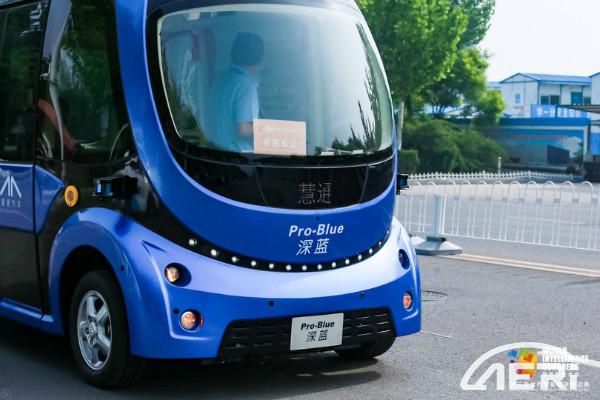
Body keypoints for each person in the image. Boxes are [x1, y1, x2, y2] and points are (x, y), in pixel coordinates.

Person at [205, 32, 264, 153]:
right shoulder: (246, 86)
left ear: (233, 54)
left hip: (214, 151)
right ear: (260, 59)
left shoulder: (220, 79)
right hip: (236, 157)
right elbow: (243, 129)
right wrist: (272, 130)